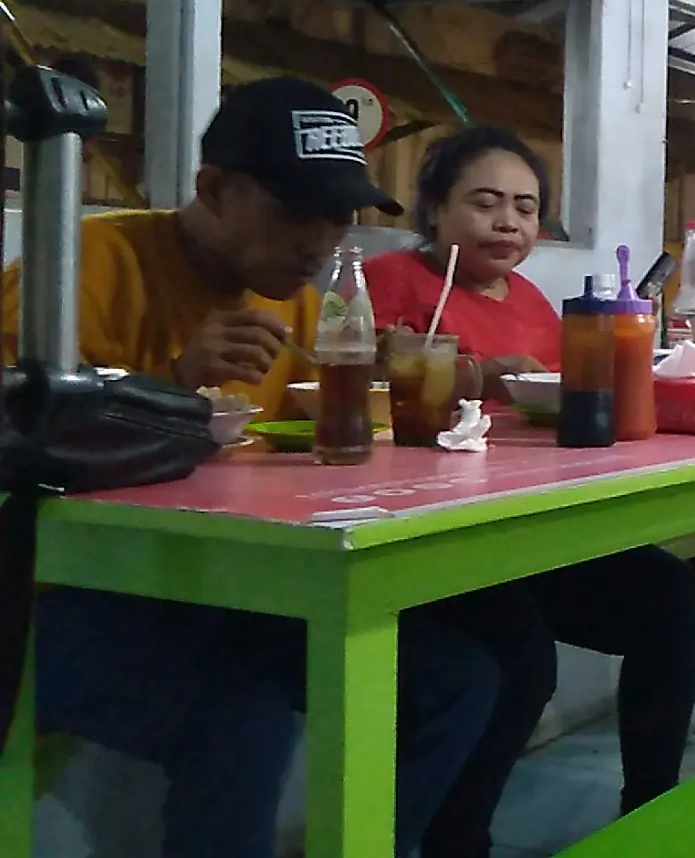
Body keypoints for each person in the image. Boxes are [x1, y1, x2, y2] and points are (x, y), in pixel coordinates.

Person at [0, 77, 500, 858]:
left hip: (210, 588)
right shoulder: (84, 268)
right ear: (213, 188)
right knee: (241, 718)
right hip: (51, 600)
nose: (318, 242)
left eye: (338, 218)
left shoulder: (302, 302)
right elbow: (14, 445)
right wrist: (167, 383)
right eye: (295, 212)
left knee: (457, 677)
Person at [361, 126, 695, 858]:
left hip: (523, 528)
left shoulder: (530, 299)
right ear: (433, 211)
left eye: (524, 208)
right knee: (521, 657)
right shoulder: (390, 282)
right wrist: (478, 378)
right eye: (484, 203)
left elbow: (557, 403)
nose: (508, 222)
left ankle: (650, 813)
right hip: (430, 536)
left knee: (671, 599)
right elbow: (372, 386)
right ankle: (455, 842)